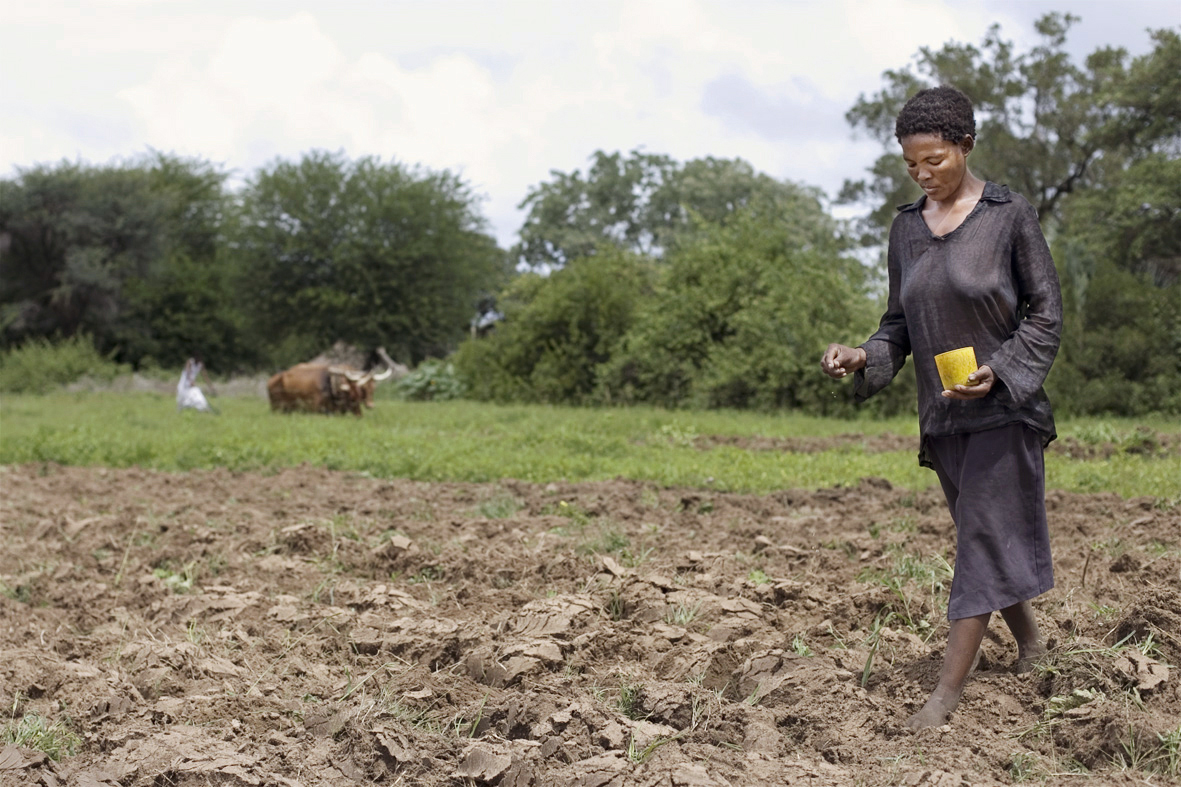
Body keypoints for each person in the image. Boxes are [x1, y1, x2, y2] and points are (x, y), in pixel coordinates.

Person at [820, 85, 1062, 730]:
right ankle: (1033, 644)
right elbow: (897, 324)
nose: (924, 174)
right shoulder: (906, 229)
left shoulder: (1010, 217)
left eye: (935, 160)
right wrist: (863, 355)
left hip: (1005, 410)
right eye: (911, 165)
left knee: (978, 541)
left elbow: (1046, 315)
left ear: (965, 146)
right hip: (944, 414)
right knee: (981, 536)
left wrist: (1001, 370)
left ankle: (945, 695)